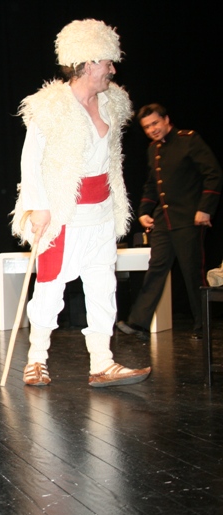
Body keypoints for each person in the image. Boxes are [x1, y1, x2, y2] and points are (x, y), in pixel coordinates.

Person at [10, 19, 150, 388]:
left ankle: (102, 362)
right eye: (107, 62)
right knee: (50, 287)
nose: (112, 70)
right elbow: (31, 161)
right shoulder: (51, 107)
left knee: (103, 287)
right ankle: (36, 360)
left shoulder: (112, 103)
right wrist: (38, 207)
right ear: (88, 64)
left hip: (102, 213)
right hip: (64, 215)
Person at [116, 103, 223, 341]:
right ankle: (139, 323)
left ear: (166, 120)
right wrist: (145, 211)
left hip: (190, 218)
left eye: (155, 123)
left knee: (192, 273)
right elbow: (152, 184)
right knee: (156, 268)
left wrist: (205, 209)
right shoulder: (153, 149)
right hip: (164, 221)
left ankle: (202, 326)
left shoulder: (188, 140)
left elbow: (213, 173)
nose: (152, 129)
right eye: (146, 127)